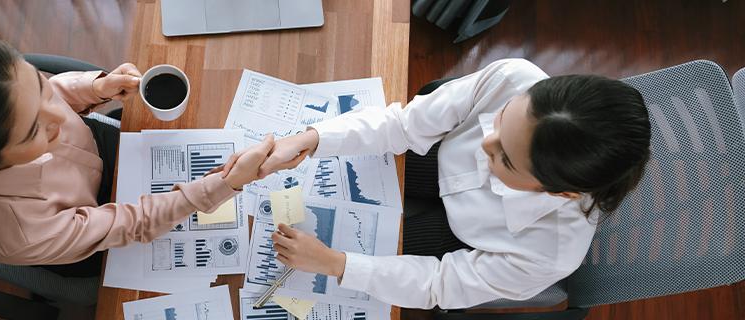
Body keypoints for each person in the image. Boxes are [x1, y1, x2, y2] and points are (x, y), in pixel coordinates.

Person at [226, 59, 652, 308]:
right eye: (501, 120)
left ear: (560, 193)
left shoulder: (549, 254)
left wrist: (336, 264)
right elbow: (403, 124)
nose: (485, 143)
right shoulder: (514, 77)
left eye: (505, 158)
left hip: (461, 236)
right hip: (434, 157)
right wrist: (308, 140)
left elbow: (437, 284)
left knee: (367, 248)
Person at [0, 30, 273, 277]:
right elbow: (129, 224)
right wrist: (225, 184)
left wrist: (95, 88)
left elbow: (55, 91)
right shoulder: (18, 232)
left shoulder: (13, 108)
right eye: (34, 128)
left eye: (37, 84)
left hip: (93, 161)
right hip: (82, 236)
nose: (58, 113)